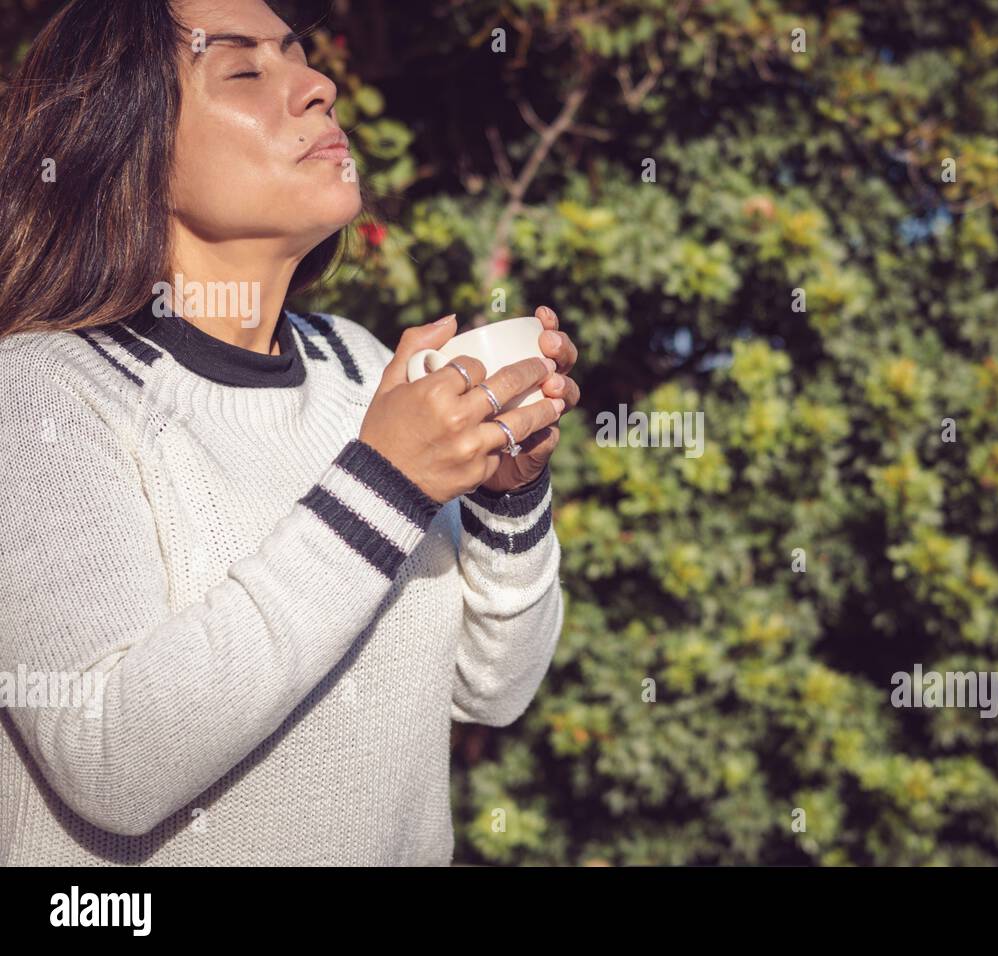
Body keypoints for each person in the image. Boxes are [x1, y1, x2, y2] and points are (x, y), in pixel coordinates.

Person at [0, 0, 580, 866]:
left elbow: (490, 689)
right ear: (127, 144)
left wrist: (509, 497)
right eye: (244, 71)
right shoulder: (40, 396)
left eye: (300, 58)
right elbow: (110, 757)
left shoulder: (359, 369)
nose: (318, 86)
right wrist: (386, 483)